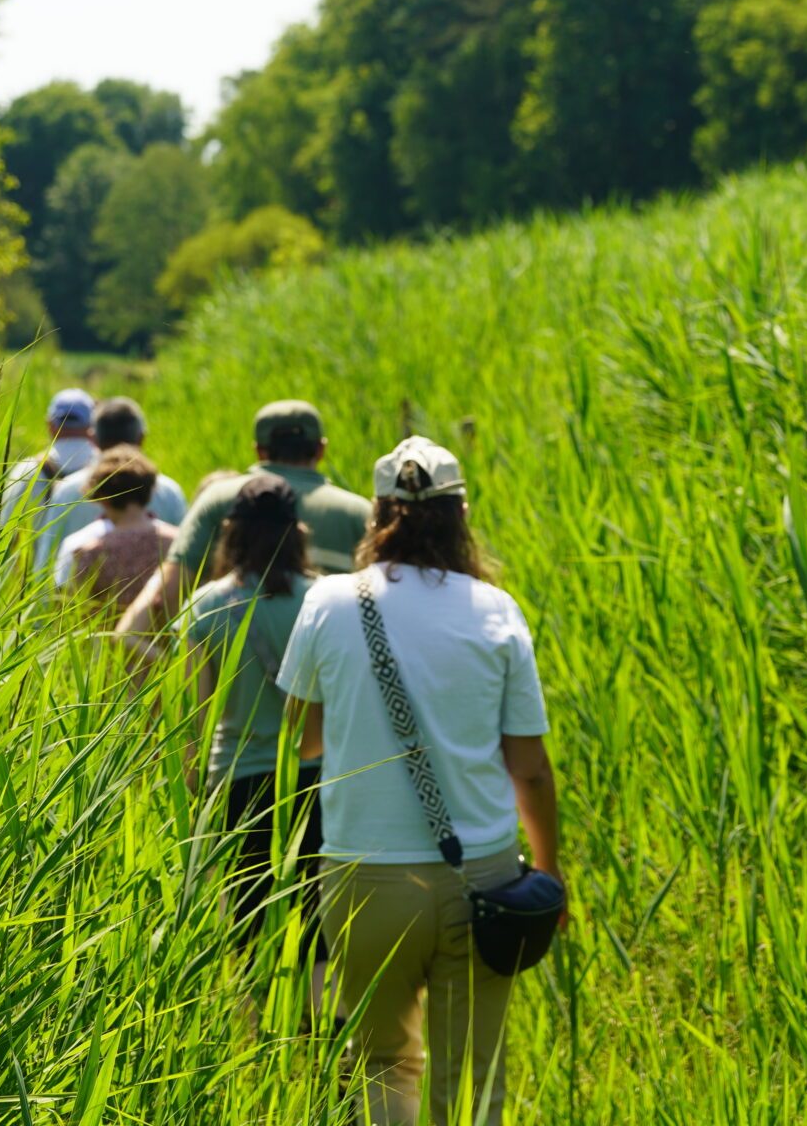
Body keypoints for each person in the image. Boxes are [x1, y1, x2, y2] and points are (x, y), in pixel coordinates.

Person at [274, 436, 559, 1126]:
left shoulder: (330, 602)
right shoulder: (497, 611)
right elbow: (529, 768)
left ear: (377, 515)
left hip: (364, 872)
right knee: (471, 1083)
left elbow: (300, 739)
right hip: (483, 878)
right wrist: (548, 872)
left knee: (380, 1066)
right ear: (460, 514)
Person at [150, 476, 324, 956]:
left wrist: (192, 788)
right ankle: (318, 1026)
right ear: (298, 532)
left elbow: (196, 714)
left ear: (231, 532)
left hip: (238, 781)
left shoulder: (207, 606)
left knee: (245, 928)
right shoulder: (325, 600)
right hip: (319, 778)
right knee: (315, 927)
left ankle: (254, 1028)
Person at [114, 399, 369, 655]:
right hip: (328, 674)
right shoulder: (358, 513)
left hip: (229, 675)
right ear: (321, 449)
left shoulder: (219, 497)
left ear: (259, 450)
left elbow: (165, 597)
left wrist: (179, 665)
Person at [32, 397, 190, 574]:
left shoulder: (68, 490)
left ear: (92, 438)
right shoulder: (168, 491)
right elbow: (187, 560)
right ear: (141, 438)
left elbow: (45, 565)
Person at [57, 446, 178, 619]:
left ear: (103, 498)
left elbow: (69, 617)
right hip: (172, 645)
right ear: (149, 491)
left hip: (107, 645)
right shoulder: (177, 543)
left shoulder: (90, 552)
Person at [0, 387, 97, 541]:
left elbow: (6, 534)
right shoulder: (107, 469)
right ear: (91, 427)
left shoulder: (26, 470)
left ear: (50, 425)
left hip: (35, 565)